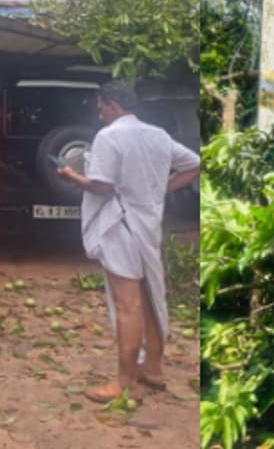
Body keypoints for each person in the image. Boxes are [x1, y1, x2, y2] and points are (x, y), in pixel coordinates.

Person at [56, 81, 200, 403]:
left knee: (127, 305)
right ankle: (153, 369)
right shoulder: (159, 135)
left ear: (112, 105)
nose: (99, 112)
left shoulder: (109, 136)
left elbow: (102, 187)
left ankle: (124, 384)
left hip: (120, 225)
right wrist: (159, 189)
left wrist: (71, 177)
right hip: (147, 226)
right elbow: (193, 164)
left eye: (101, 106)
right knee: (151, 297)